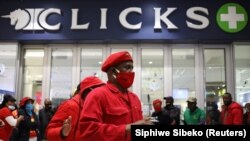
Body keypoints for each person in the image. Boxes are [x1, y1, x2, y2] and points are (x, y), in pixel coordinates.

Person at [79, 51, 152, 141]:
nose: (131, 72)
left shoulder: (134, 98)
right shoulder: (97, 95)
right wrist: (126, 128)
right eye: (127, 67)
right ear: (113, 71)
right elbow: (88, 131)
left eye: (132, 68)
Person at [46, 76, 105, 141]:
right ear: (88, 91)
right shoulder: (70, 106)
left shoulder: (97, 110)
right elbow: (49, 133)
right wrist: (62, 132)